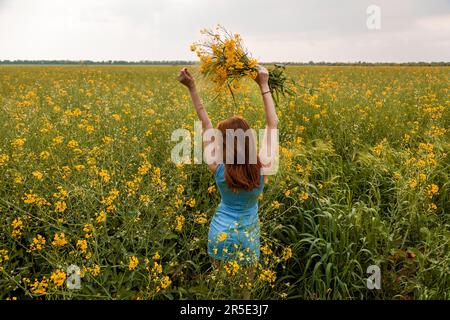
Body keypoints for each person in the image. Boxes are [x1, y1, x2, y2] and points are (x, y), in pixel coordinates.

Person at [177, 65, 278, 269]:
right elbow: (272, 124)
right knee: (244, 295)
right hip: (247, 240)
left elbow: (205, 123)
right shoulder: (262, 168)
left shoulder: (217, 167)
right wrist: (264, 85)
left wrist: (192, 87)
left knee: (220, 290)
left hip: (219, 236)